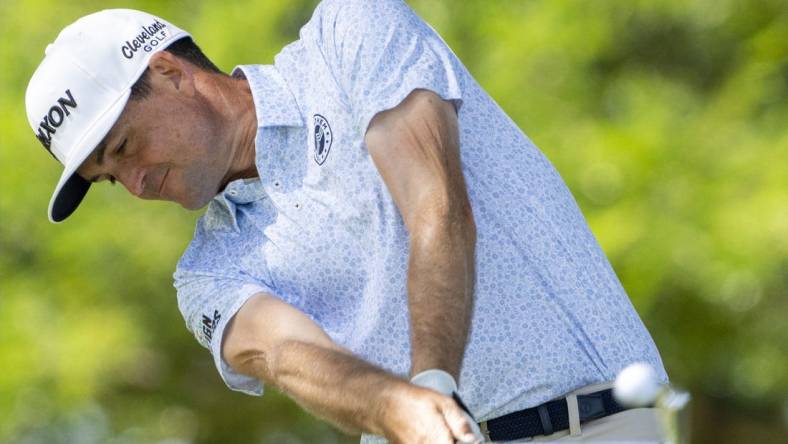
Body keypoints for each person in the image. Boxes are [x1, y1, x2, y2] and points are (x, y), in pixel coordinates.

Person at [25, 1, 669, 442]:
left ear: (168, 73)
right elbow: (284, 352)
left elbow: (434, 203)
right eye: (110, 180)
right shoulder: (207, 270)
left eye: (125, 149)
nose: (134, 185)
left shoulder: (350, 32)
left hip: (604, 425)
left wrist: (431, 385)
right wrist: (399, 409)